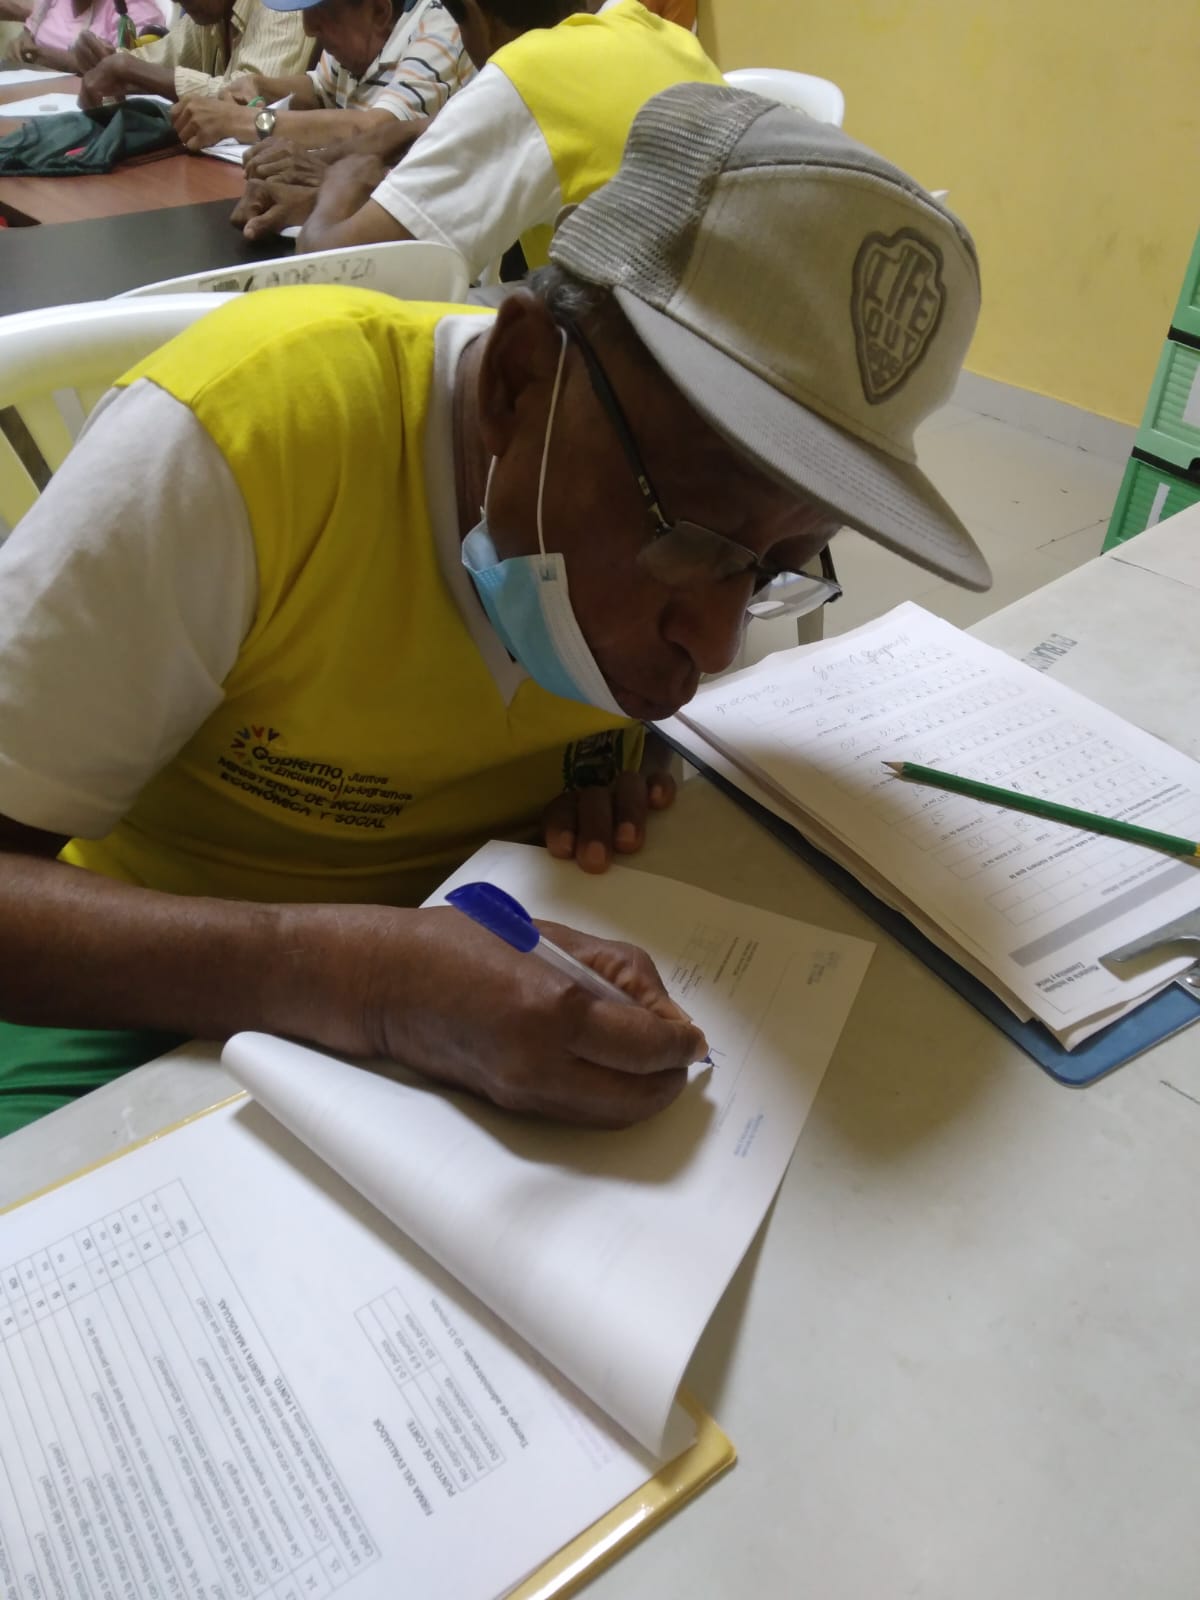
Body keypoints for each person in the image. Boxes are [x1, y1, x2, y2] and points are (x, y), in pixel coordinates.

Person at [0, 84, 988, 1140]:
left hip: (490, 962)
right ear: (518, 382)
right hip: (149, 981)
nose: (714, 646)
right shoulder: (239, 445)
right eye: (690, 541)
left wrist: (621, 776)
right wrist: (363, 980)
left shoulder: (641, 510)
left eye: (778, 567)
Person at [231, 0, 722, 266]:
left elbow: (330, 267)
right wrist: (350, 166)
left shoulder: (524, 77)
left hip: (630, 377)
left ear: (475, 14)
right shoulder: (655, 32)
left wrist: (343, 182)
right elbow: (455, 135)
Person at [172, 0, 471, 156]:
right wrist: (261, 86)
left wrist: (244, 121)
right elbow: (321, 88)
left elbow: (378, 129)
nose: (308, 29)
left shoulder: (442, 27)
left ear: (380, 10)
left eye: (321, 11)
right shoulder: (356, 37)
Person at [75, 0, 310, 109]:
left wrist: (128, 68)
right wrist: (101, 60)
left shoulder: (282, 6)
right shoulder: (211, 13)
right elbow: (145, 63)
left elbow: (252, 102)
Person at [2, 0, 161, 74]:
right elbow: (30, 33)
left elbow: (134, 73)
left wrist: (54, 59)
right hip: (33, 89)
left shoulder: (133, 8)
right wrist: (20, 44)